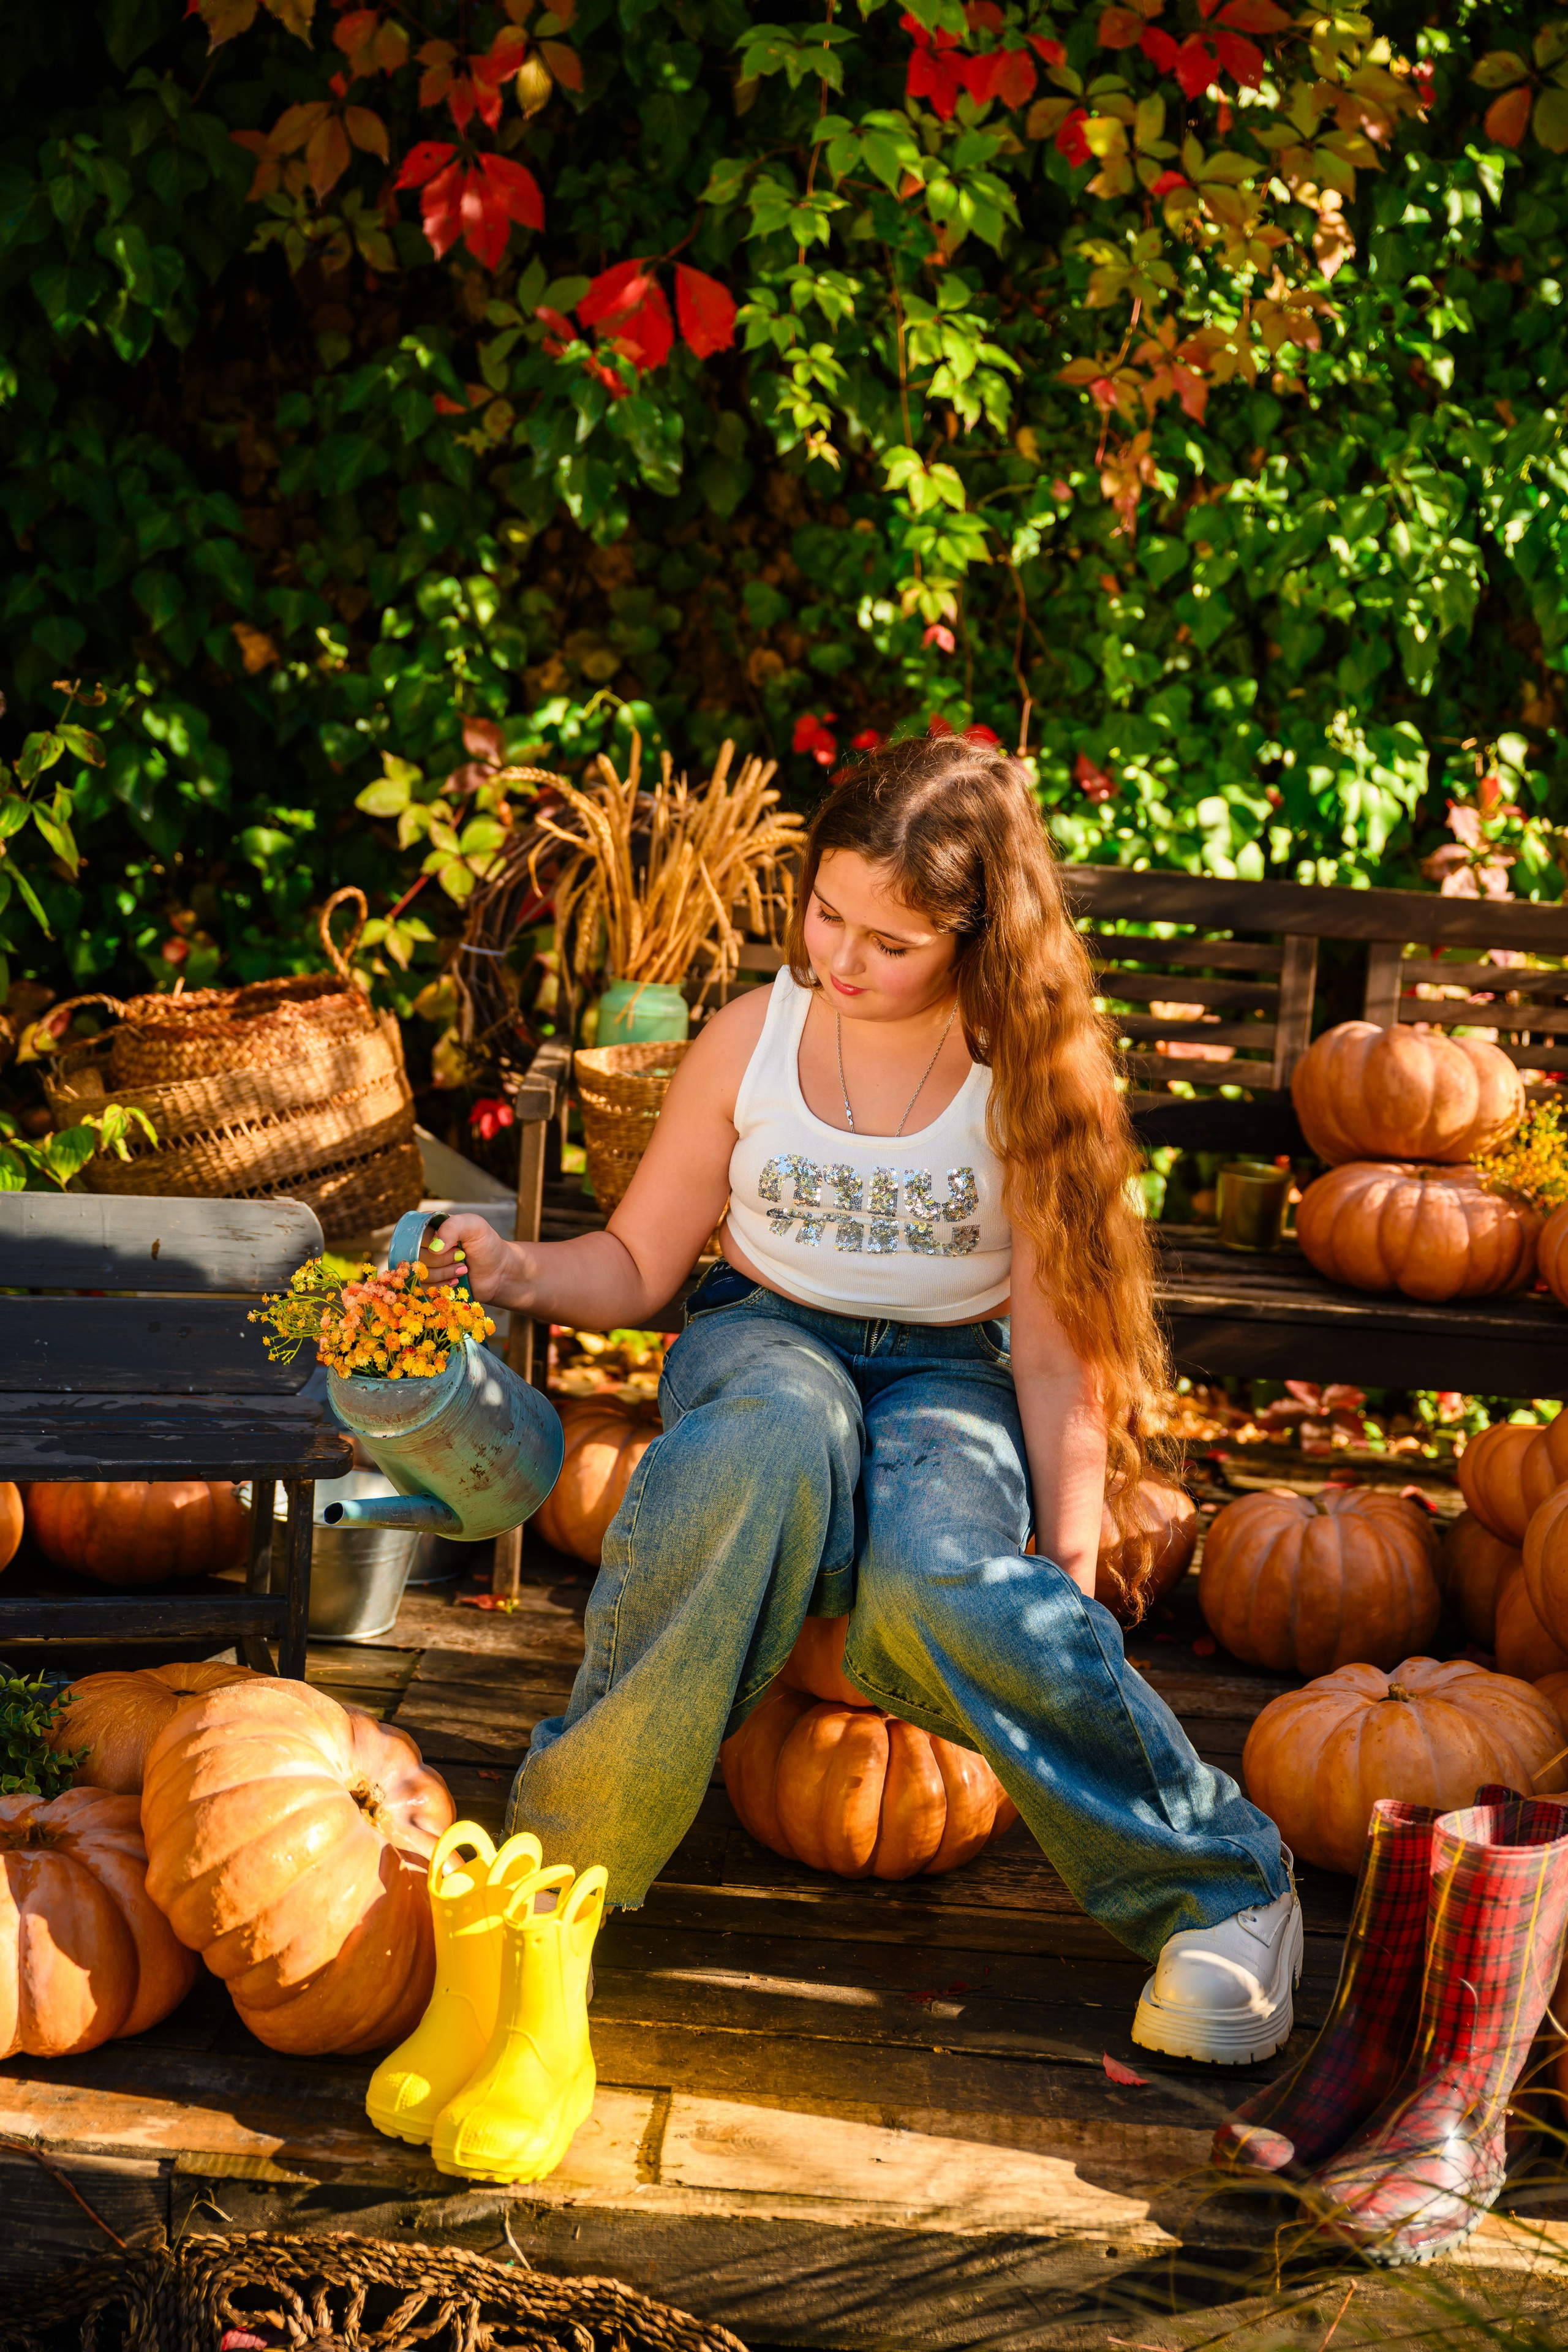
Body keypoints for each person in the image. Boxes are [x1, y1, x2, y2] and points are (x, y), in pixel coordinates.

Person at [433, 732, 1298, 2064]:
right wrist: (516, 1268)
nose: (839, 957)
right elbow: (636, 1261)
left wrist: (1063, 1573)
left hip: (946, 1380)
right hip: (764, 1343)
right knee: (766, 1439)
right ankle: (553, 1884)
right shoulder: (749, 1038)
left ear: (975, 938)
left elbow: (1060, 1351)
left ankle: (1224, 1891)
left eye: (887, 942)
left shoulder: (1033, 1081)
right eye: (824, 913)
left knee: (946, 1576)